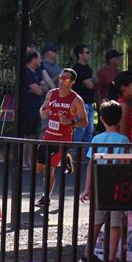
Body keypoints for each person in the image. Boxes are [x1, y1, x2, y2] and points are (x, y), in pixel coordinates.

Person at [79, 101, 130, 262]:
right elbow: (125, 165)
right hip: (116, 186)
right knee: (115, 223)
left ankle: (87, 255)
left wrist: (87, 188)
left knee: (96, 221)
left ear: (101, 119)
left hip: (98, 185)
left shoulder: (96, 139)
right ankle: (111, 257)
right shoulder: (123, 140)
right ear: (120, 118)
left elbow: (90, 165)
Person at [35, 68, 88, 207]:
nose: (61, 80)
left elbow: (85, 121)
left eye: (65, 78)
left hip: (62, 139)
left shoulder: (76, 100)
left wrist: (70, 122)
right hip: (48, 136)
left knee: (48, 170)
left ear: (72, 82)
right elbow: (43, 109)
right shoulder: (51, 93)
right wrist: (43, 111)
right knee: (38, 168)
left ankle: (45, 197)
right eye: (60, 77)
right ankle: (66, 159)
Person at [71, 44, 97, 144]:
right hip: (81, 104)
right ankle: (76, 154)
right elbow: (90, 84)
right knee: (80, 129)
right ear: (80, 55)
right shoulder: (77, 68)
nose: (89, 54)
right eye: (87, 52)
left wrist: (92, 80)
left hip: (89, 103)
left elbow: (95, 80)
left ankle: (86, 156)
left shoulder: (87, 68)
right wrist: (92, 80)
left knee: (89, 130)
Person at [24, 51, 45, 166]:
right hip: (27, 108)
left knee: (32, 135)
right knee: (25, 135)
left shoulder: (36, 72)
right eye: (39, 58)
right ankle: (22, 161)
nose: (40, 61)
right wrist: (38, 89)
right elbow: (38, 90)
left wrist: (38, 88)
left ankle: (29, 161)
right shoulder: (26, 73)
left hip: (36, 107)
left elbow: (42, 87)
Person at [111, 71, 132, 142]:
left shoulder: (124, 104)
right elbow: (123, 133)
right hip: (127, 148)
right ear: (123, 88)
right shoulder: (124, 106)